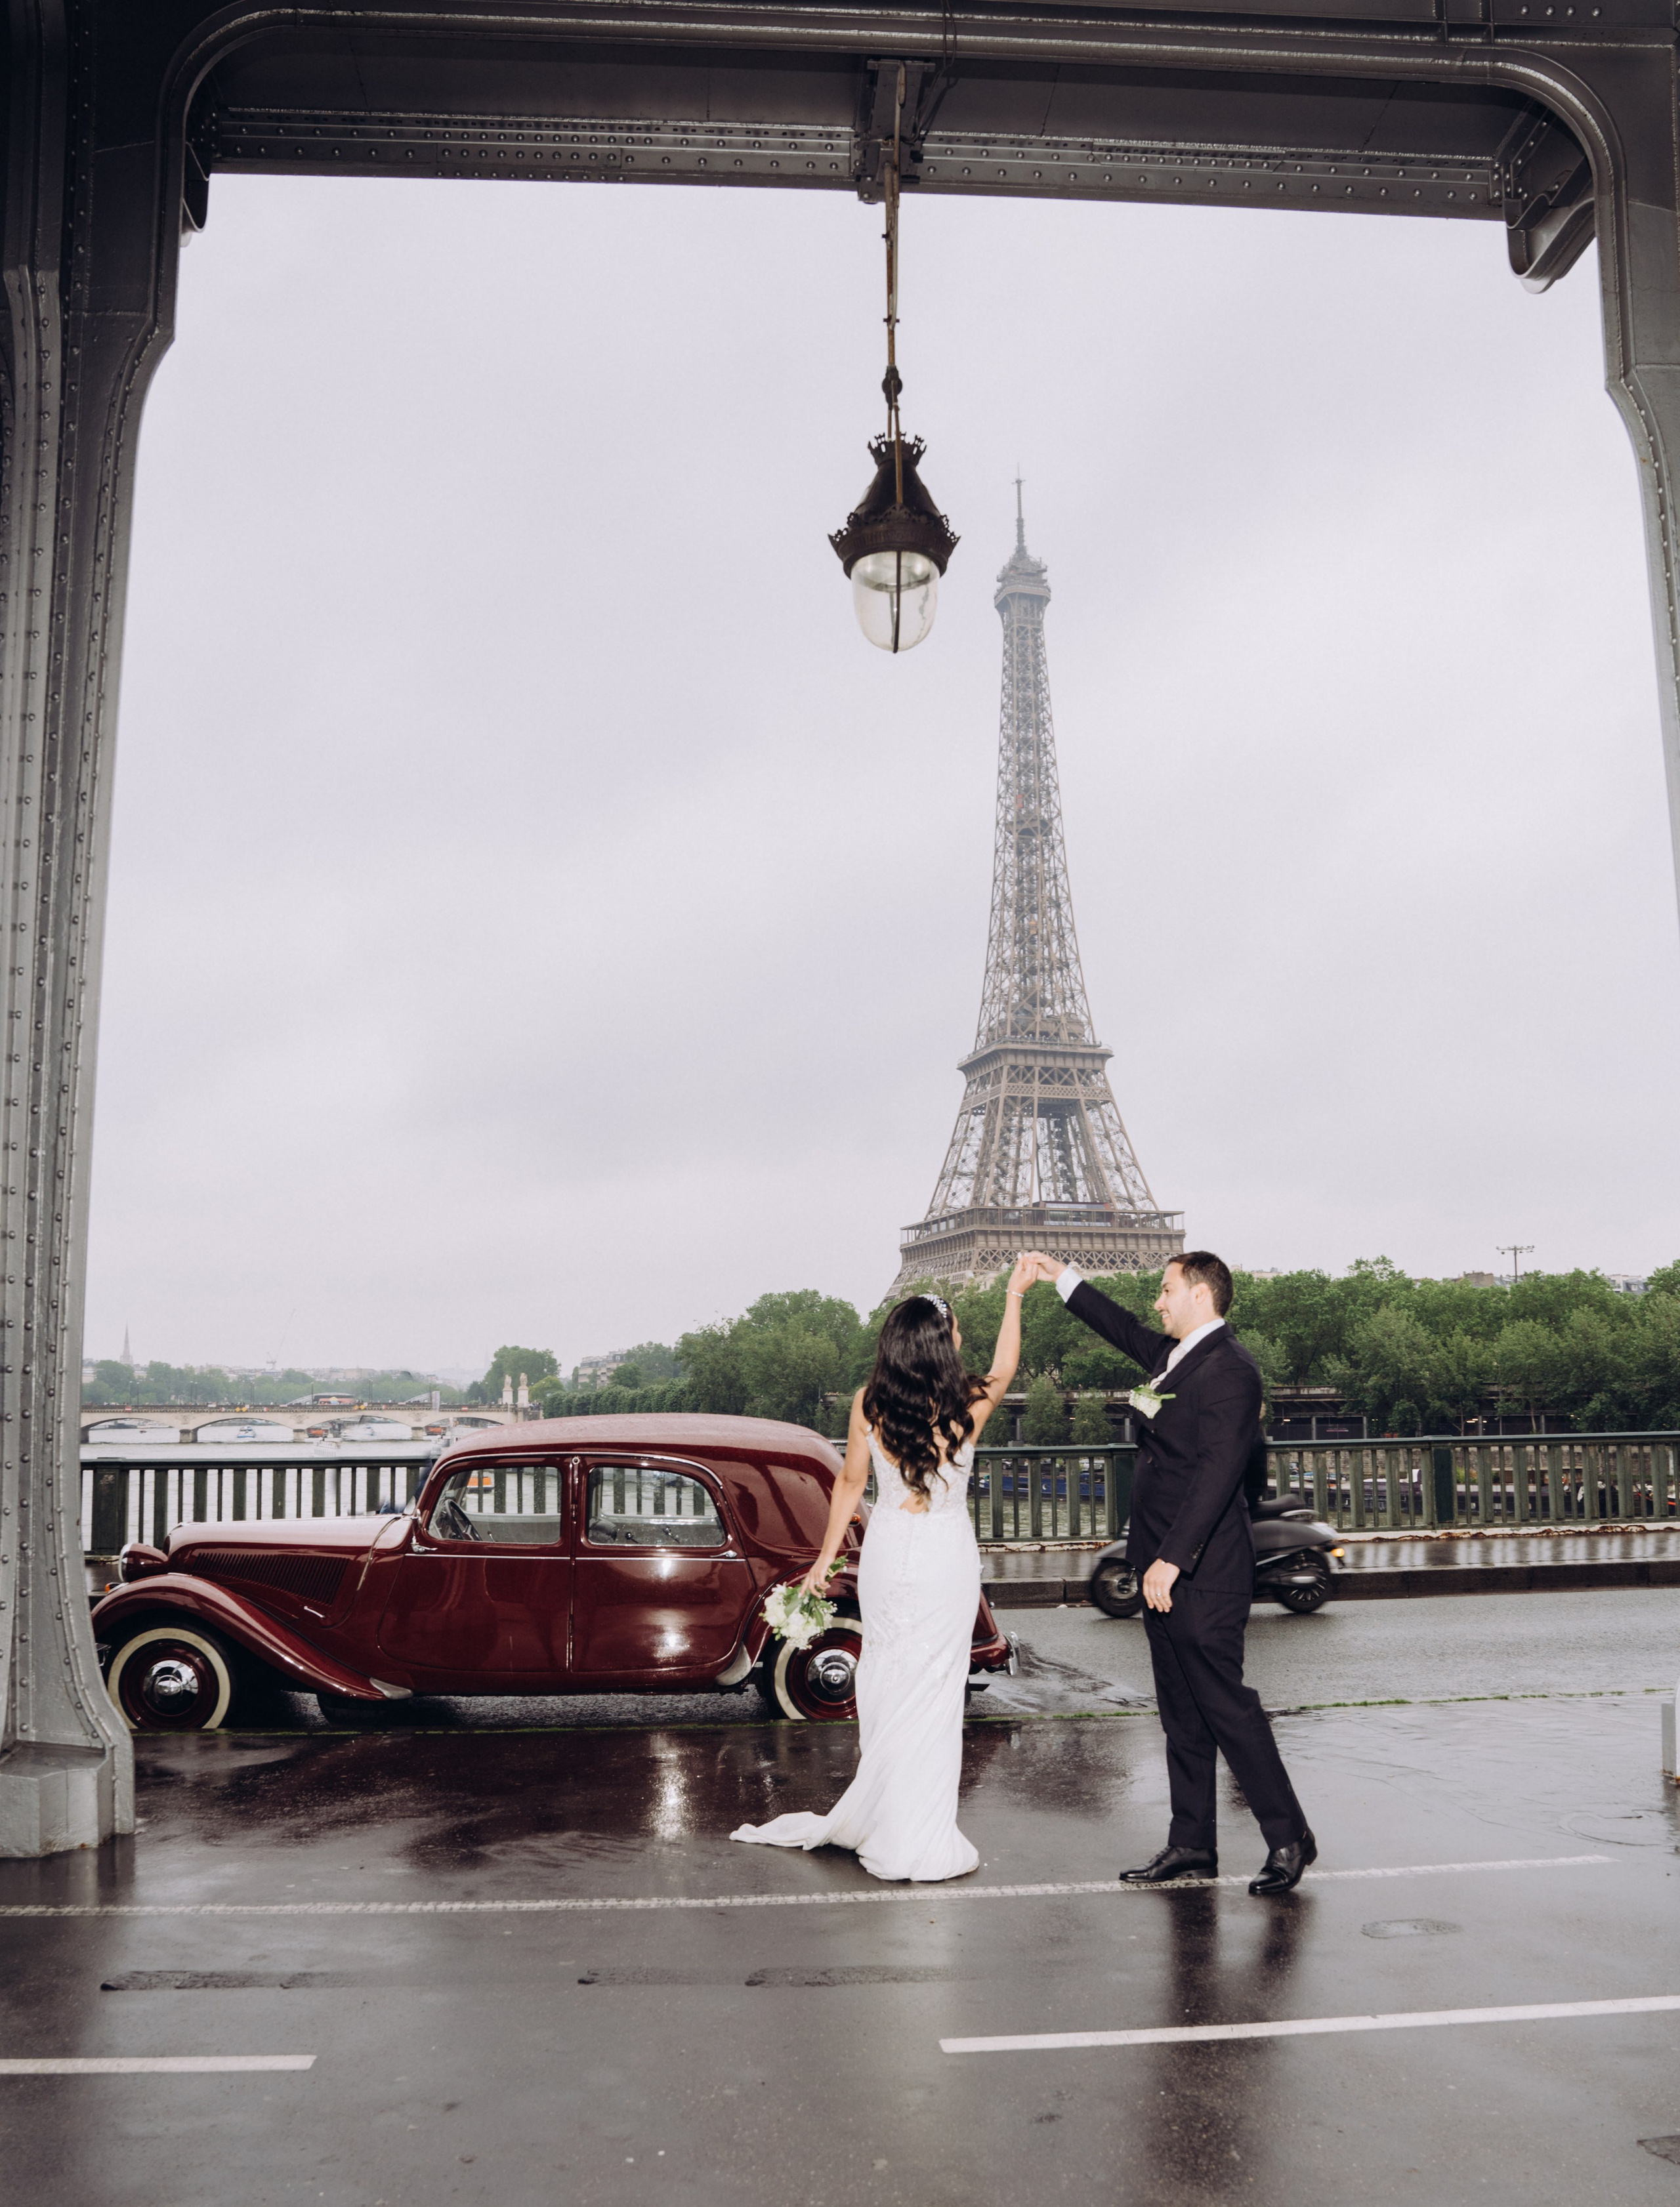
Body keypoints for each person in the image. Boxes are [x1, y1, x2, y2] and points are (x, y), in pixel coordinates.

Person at [1021, 1248, 1314, 1896]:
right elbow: (1118, 1326)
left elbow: (1218, 1475)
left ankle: (1290, 1835)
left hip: (1202, 1569)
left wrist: (1174, 1558)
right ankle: (1191, 1843)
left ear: (1200, 1294)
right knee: (1181, 1712)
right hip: (1159, 1562)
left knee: (1226, 1707)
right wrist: (1060, 1275)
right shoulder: (1173, 1357)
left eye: (1165, 1289)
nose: (1157, 1301)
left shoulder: (1232, 1370)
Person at [731, 1256, 1032, 1881]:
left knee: (889, 1681)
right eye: (955, 1330)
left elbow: (849, 1484)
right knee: (937, 1688)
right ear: (941, 1343)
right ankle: (920, 1828)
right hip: (945, 1558)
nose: (961, 1337)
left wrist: (823, 1560)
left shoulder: (870, 1404)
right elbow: (1006, 1365)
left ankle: (890, 1811)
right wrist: (1014, 1294)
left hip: (890, 1555)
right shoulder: (967, 1401)